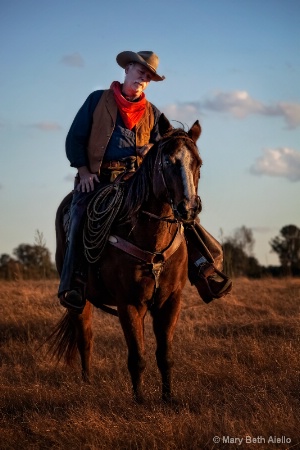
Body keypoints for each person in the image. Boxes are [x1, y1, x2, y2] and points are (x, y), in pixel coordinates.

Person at [58, 50, 232, 312]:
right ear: (127, 69)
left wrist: (151, 148)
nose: (143, 79)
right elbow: (75, 139)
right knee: (80, 213)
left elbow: (161, 146)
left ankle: (203, 271)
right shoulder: (97, 100)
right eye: (141, 72)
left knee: (181, 211)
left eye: (148, 77)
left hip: (136, 180)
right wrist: (84, 171)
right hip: (99, 177)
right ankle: (74, 282)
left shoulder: (152, 112)